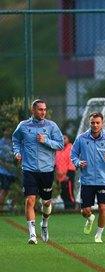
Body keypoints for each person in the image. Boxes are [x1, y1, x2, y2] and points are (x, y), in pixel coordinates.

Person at [12, 99, 64, 244]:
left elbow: (60, 145)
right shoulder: (23, 126)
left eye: (44, 109)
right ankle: (32, 235)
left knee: (46, 203)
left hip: (47, 170)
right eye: (40, 109)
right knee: (30, 200)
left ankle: (44, 224)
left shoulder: (51, 126)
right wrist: (17, 152)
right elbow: (16, 140)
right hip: (29, 169)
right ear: (33, 110)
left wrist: (46, 140)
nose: (43, 112)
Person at [71, 112, 105, 243]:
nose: (95, 125)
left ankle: (98, 235)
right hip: (86, 180)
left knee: (102, 207)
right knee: (85, 211)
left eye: (97, 123)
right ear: (89, 123)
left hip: (103, 180)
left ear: (102, 123)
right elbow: (73, 155)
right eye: (92, 123)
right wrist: (78, 162)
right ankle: (89, 218)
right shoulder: (81, 138)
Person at [55, 134, 77, 209]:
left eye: (64, 138)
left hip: (68, 175)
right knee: (63, 194)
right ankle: (66, 209)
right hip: (60, 176)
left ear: (68, 139)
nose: (63, 140)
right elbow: (56, 163)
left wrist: (68, 175)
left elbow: (72, 162)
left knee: (69, 194)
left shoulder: (71, 148)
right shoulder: (58, 150)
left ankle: (73, 209)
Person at [0, 128, 16, 210]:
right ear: (3, 132)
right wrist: (5, 165)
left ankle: (12, 208)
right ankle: (0, 208)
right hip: (3, 171)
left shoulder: (12, 143)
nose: (7, 132)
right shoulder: (1, 142)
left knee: (13, 190)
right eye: (6, 130)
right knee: (4, 190)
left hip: (12, 171)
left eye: (9, 130)